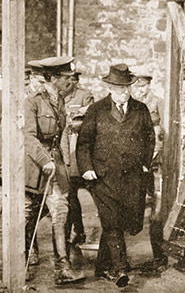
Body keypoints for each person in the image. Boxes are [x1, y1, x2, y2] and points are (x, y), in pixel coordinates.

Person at [77, 63, 155, 287]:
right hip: (103, 176)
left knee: (121, 223)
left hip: (131, 177)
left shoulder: (141, 109)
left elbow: (150, 138)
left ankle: (102, 267)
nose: (123, 92)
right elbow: (84, 142)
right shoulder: (97, 109)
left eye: (126, 88)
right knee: (111, 222)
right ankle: (120, 269)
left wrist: (145, 164)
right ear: (109, 87)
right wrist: (87, 168)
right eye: (118, 88)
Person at [24, 56, 85, 284]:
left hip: (55, 165)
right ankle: (25, 262)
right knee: (28, 215)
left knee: (60, 212)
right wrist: (44, 160)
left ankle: (63, 268)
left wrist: (62, 164)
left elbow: (60, 137)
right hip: (35, 167)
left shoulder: (59, 101)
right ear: (52, 79)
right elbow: (28, 136)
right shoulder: (32, 101)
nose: (71, 82)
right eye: (65, 78)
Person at [133, 73, 168, 270]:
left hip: (155, 158)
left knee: (157, 209)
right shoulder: (133, 104)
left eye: (144, 86)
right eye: (138, 86)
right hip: (136, 160)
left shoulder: (157, 102)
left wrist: (156, 151)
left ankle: (159, 256)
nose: (141, 90)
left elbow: (163, 130)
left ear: (149, 86)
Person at [61, 72, 94, 264]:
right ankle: (76, 230)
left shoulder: (85, 95)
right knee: (70, 195)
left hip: (81, 148)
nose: (70, 82)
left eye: (74, 79)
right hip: (68, 151)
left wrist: (75, 119)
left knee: (91, 191)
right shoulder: (59, 96)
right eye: (68, 79)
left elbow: (88, 120)